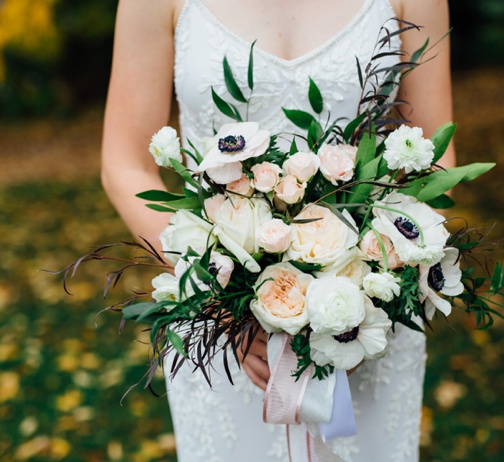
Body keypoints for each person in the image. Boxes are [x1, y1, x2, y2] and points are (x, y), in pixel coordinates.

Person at [101, 0, 455, 460]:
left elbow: (436, 159)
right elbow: (124, 163)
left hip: (369, 323)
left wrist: (366, 299)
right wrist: (215, 293)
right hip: (219, 323)